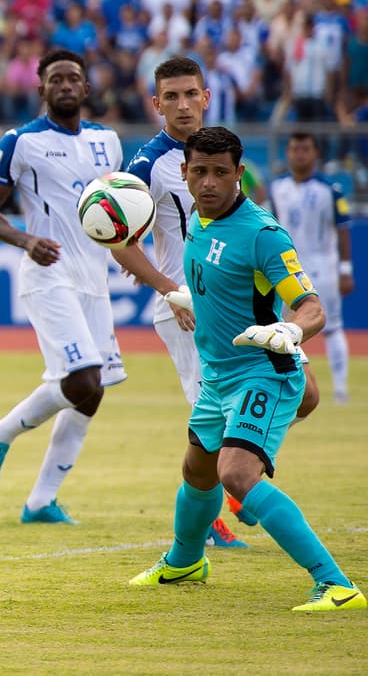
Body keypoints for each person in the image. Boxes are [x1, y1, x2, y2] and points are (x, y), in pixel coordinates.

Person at [128, 126, 365, 613]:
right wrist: (178, 295)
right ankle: (185, 561)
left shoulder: (262, 234)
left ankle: (336, 585)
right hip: (217, 374)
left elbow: (312, 307)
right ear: (184, 173)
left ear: (240, 174)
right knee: (196, 472)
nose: (209, 183)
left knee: (234, 473)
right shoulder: (197, 216)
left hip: (263, 370)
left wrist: (293, 332)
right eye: (199, 172)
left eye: (221, 173)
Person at [0, 48, 127, 524]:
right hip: (47, 272)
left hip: (93, 278)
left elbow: (117, 210)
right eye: (55, 79)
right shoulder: (21, 141)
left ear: (85, 88)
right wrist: (25, 239)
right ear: (41, 90)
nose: (64, 85)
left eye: (73, 78)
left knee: (93, 391)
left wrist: (128, 252)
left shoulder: (109, 141)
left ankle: (41, 500)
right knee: (81, 378)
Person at [115, 56, 256, 549]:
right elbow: (118, 239)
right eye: (170, 97)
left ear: (206, 97)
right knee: (210, 417)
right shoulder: (145, 164)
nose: (181, 105)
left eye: (189, 94)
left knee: (290, 395)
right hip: (185, 309)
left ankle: (239, 484)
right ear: (156, 104)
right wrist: (166, 288)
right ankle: (213, 519)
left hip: (233, 305)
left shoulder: (223, 153)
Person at [269, 132, 354, 405]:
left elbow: (342, 231)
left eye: (305, 149)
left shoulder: (331, 189)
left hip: (322, 266)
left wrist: (345, 268)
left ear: (316, 153)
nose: (299, 155)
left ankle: (340, 389)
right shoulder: (277, 187)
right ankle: (288, 387)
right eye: (294, 149)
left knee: (332, 326)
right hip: (285, 268)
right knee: (283, 327)